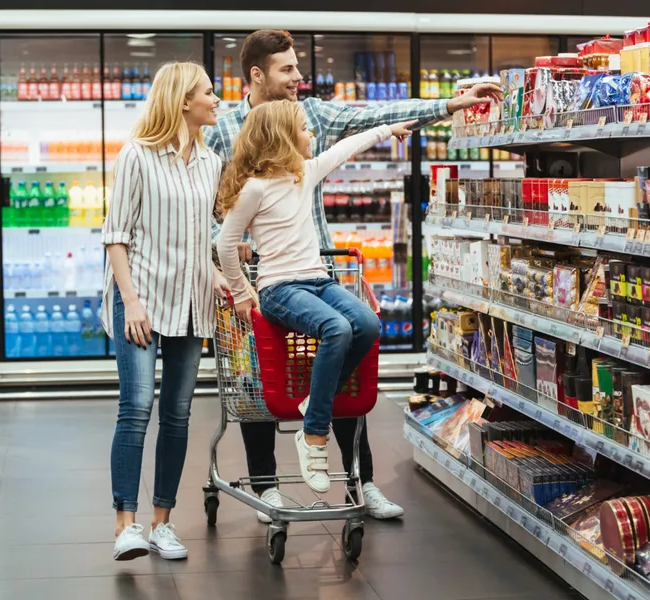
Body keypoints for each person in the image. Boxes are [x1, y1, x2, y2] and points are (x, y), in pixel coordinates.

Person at [204, 29, 501, 519]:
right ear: (256, 75)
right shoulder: (224, 128)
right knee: (257, 383)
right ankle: (266, 487)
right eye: (287, 70)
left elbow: (371, 118)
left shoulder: (313, 114)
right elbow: (211, 203)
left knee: (343, 369)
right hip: (263, 278)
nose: (299, 78)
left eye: (298, 68)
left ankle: (360, 482)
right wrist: (229, 259)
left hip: (318, 265)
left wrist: (448, 105)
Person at [216, 100, 414, 492]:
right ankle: (314, 434)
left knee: (369, 323)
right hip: (278, 288)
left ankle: (313, 402)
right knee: (337, 329)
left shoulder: (304, 174)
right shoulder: (254, 189)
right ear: (282, 138)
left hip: (319, 281)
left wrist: (388, 130)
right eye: (305, 129)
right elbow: (225, 244)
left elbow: (347, 148)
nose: (312, 136)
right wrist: (241, 292)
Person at [101, 61, 229, 562]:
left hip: (193, 301)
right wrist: (130, 300)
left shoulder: (211, 161)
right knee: (136, 408)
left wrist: (215, 270)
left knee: (177, 415)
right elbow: (116, 234)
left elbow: (205, 233)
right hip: (142, 299)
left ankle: (163, 523)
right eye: (208, 92)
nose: (216, 100)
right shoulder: (137, 155)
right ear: (182, 101)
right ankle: (126, 525)